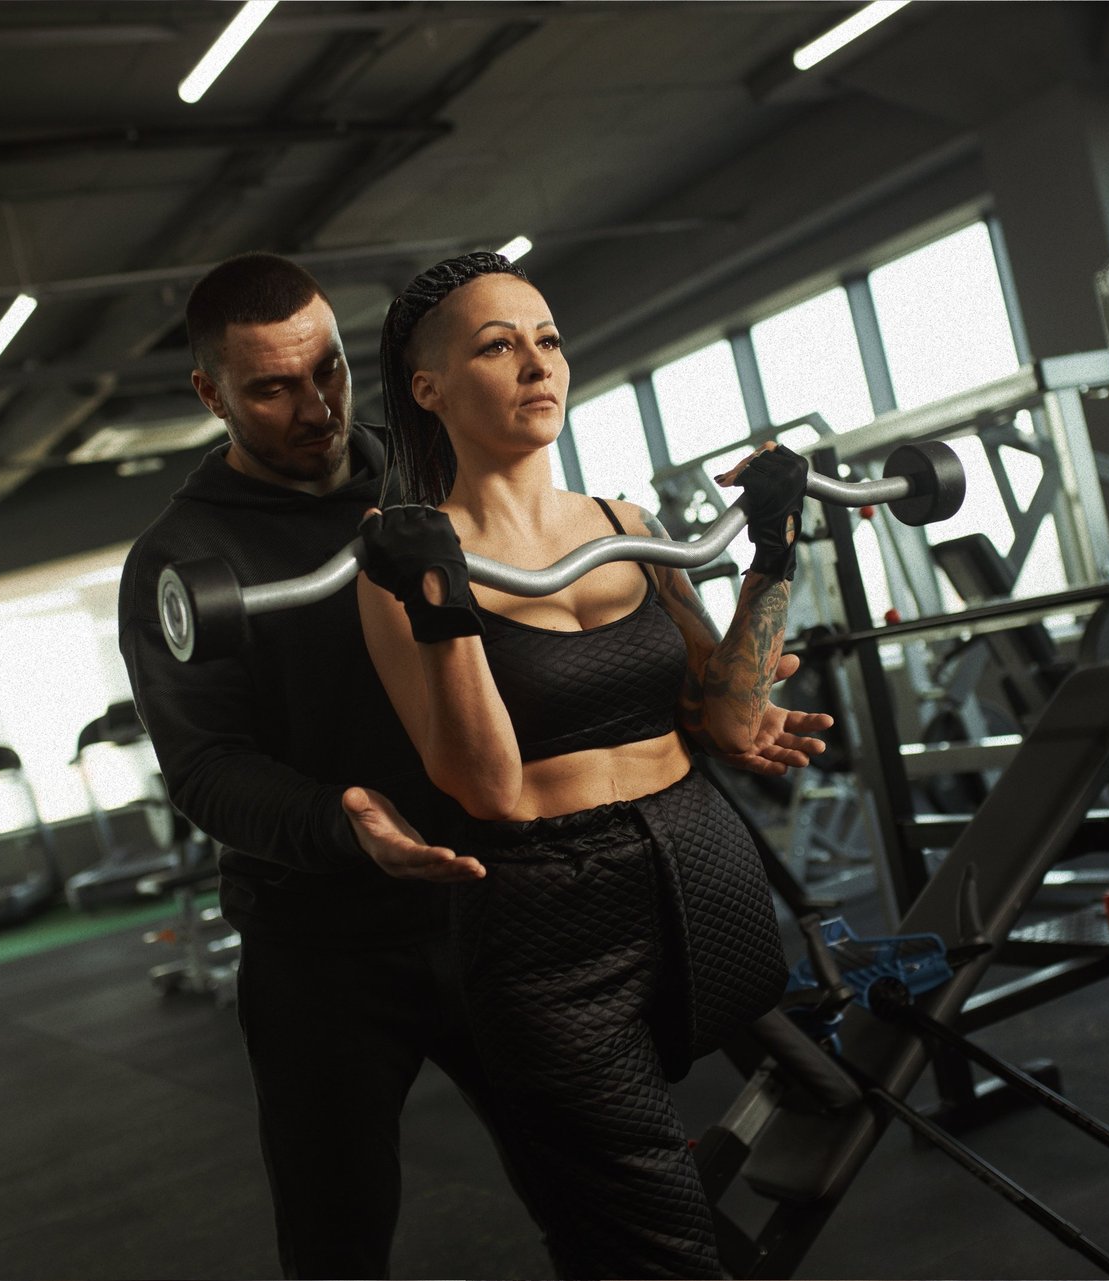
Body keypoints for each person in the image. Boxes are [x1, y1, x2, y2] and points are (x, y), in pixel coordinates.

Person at [118, 251, 829, 1278]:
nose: (316, 407)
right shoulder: (182, 559)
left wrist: (713, 684)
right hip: (330, 939)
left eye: (328, 371)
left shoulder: (427, 481)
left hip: (498, 896)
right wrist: (338, 820)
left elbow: (573, 650)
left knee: (598, 1200)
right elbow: (202, 766)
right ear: (209, 392)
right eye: (272, 388)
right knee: (338, 1232)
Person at [355, 250, 825, 1279]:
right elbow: (484, 788)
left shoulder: (626, 527)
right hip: (546, 927)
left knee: (782, 1144)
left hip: (698, 870)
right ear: (428, 388)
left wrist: (777, 549)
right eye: (496, 345)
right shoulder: (402, 563)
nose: (536, 363)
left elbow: (730, 715)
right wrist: (445, 607)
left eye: (548, 339)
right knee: (651, 1232)